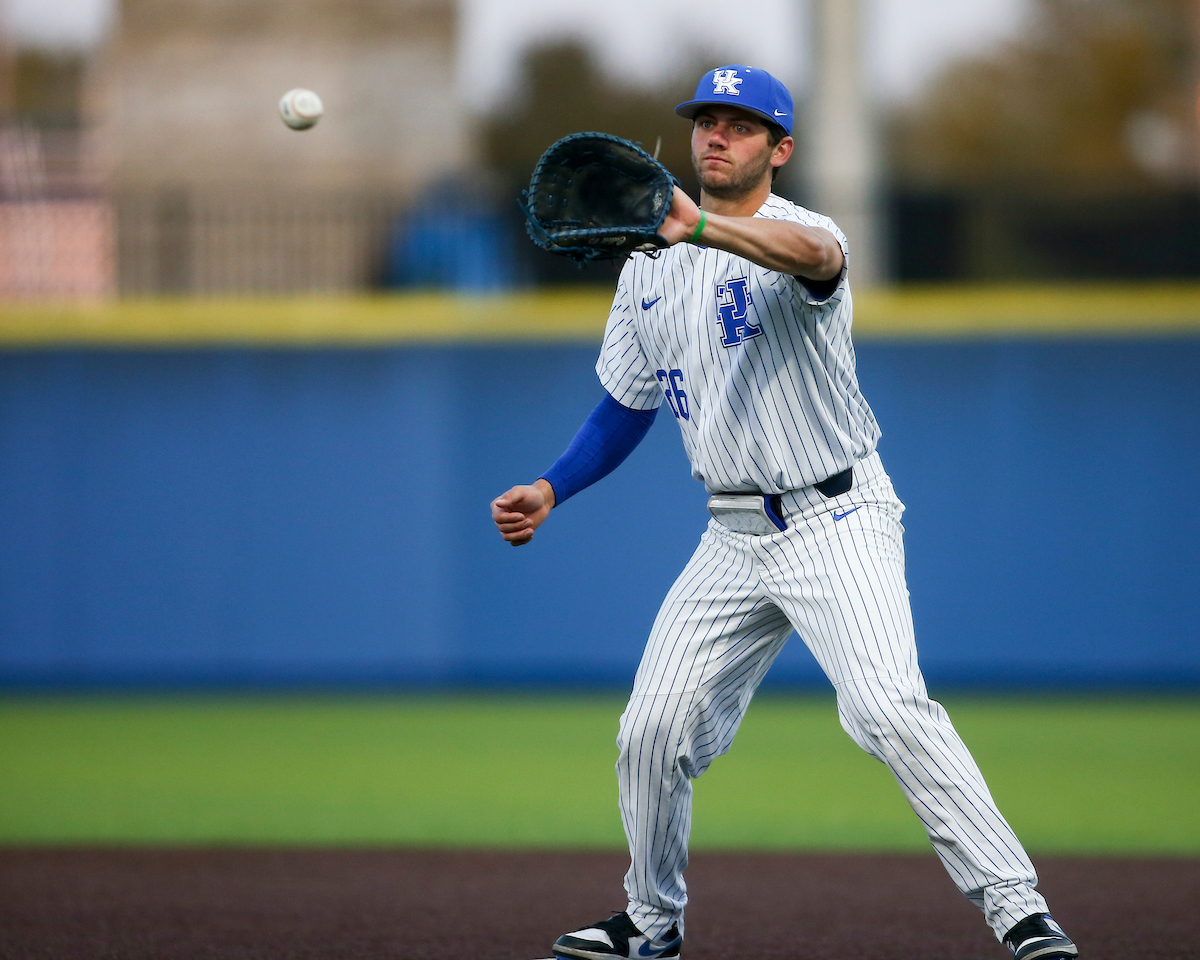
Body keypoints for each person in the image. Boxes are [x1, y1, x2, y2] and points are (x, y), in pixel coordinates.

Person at [490, 65, 1079, 960]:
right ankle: (650, 923)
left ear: (780, 147)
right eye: (705, 121)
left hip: (836, 517)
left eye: (740, 123)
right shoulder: (646, 270)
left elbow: (818, 263)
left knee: (887, 709)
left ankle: (1020, 910)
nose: (715, 135)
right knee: (650, 732)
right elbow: (626, 405)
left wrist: (703, 229)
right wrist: (552, 486)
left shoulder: (803, 231)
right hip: (730, 536)